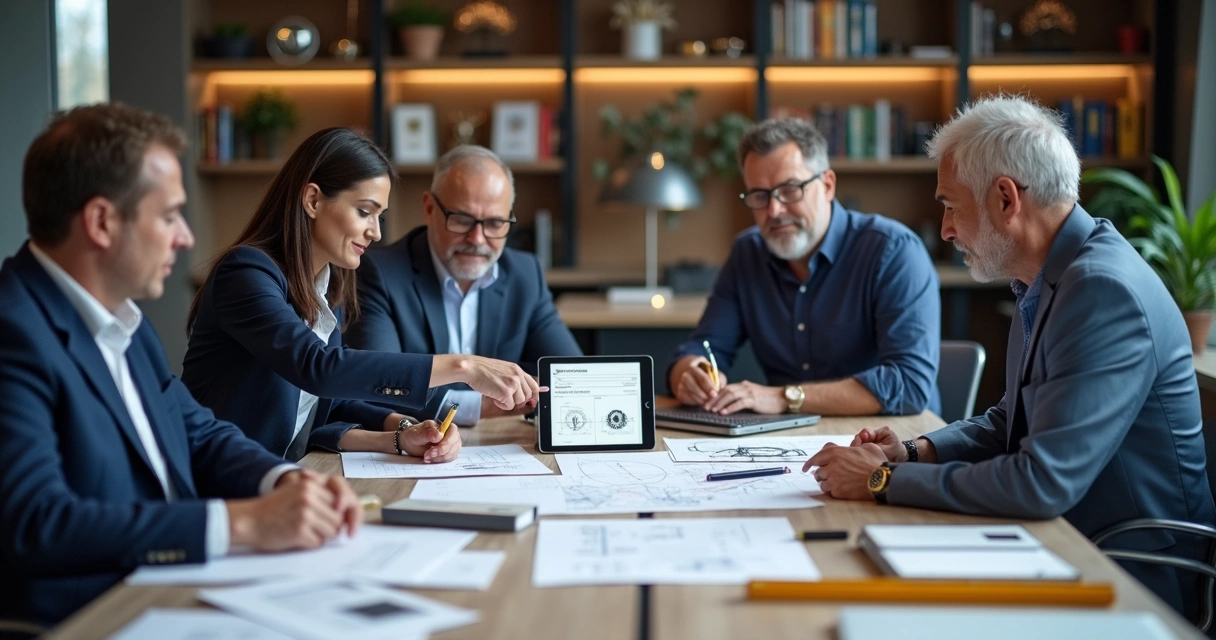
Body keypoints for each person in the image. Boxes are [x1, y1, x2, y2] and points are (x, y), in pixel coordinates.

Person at [806, 95, 1216, 622]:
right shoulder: (1049, 277)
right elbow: (1011, 420)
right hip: (1066, 540)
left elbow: (1042, 482)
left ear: (1005, 198)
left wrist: (880, 480)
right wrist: (913, 453)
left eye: (952, 205)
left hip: (1128, 572)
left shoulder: (1100, 291)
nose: (947, 229)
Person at [0, 103, 364, 626]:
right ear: (102, 221)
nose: (186, 237)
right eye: (169, 215)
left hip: (174, 591)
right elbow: (38, 524)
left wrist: (282, 481)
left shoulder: (125, 321)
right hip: (92, 618)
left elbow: (197, 431)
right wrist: (240, 524)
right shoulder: (14, 334)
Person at [182, 129, 541, 462]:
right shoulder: (245, 274)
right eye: (365, 212)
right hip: (214, 483)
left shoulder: (327, 288)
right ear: (312, 200)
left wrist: (402, 432)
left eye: (380, 217)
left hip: (277, 478)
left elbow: (330, 404)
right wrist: (465, 366)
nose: (376, 232)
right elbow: (318, 369)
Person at [667, 118, 940, 417]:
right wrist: (690, 374)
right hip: (791, 442)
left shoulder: (893, 251)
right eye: (759, 195)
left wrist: (784, 398)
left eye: (790, 189)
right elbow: (703, 347)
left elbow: (909, 385)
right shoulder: (748, 253)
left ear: (827, 186)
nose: (774, 210)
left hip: (892, 441)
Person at [346, 145, 581, 426]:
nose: (478, 239)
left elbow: (568, 375)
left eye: (495, 223)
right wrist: (482, 404)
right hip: (417, 445)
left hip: (502, 445)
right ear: (430, 209)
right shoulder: (378, 273)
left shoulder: (524, 273)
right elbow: (380, 385)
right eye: (462, 220)